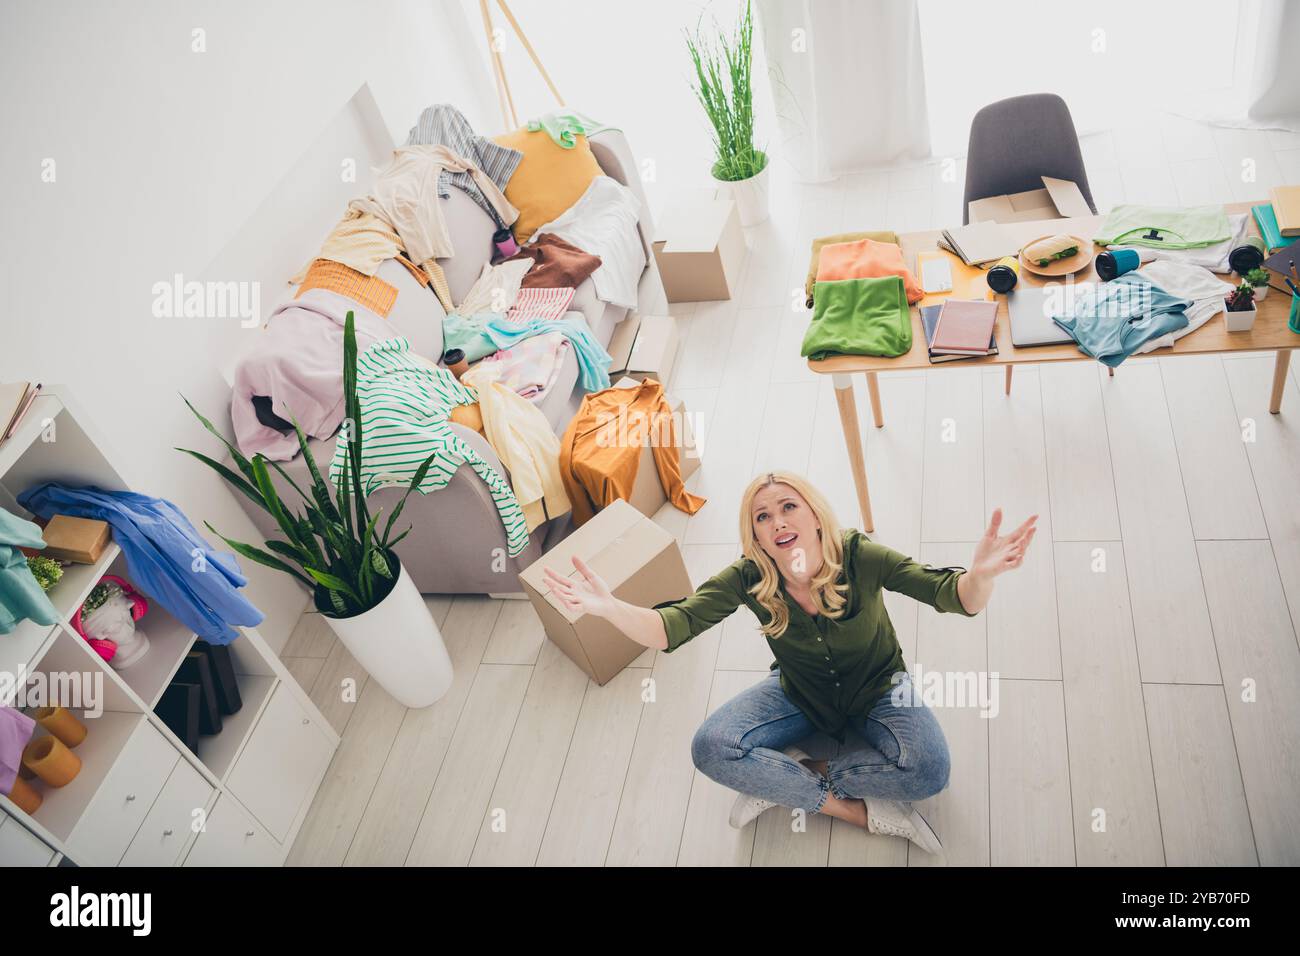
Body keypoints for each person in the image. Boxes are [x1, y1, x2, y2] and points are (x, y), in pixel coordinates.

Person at [543, 471, 1036, 858]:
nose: (776, 521)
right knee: (711, 748)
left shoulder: (861, 555)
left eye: (787, 507)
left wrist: (981, 575)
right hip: (798, 692)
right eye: (762, 516)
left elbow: (955, 597)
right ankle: (856, 812)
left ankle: (786, 776)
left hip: (880, 689)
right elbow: (672, 626)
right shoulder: (749, 576)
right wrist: (609, 608)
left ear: (814, 515)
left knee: (929, 770)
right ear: (754, 533)